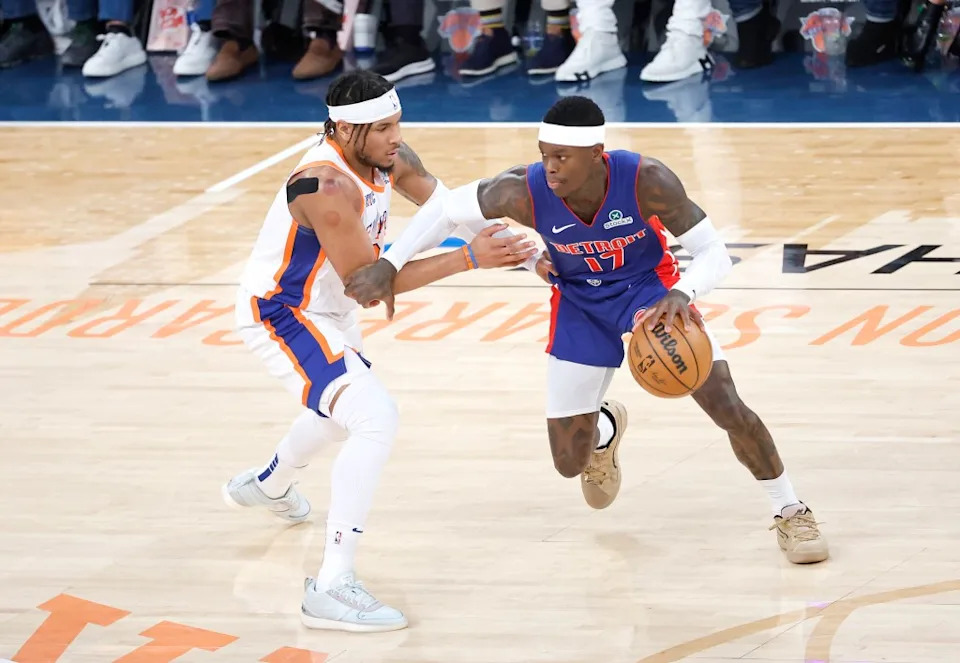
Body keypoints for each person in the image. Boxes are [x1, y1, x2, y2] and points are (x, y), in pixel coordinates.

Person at [342, 95, 830, 565]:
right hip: (579, 300)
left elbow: (714, 253)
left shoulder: (647, 179)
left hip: (648, 293)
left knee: (725, 402)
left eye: (562, 157)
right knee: (568, 462)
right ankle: (606, 429)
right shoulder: (521, 189)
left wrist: (682, 294)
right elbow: (446, 209)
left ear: (597, 154)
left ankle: (791, 510)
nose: (550, 167)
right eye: (545, 155)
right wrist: (392, 263)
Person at [226, 69, 539, 633]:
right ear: (346, 130)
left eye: (398, 123)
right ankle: (331, 586)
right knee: (373, 416)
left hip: (329, 311)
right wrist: (469, 259)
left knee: (339, 416)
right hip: (284, 312)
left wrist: (525, 248)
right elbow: (368, 286)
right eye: (384, 128)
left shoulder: (384, 153)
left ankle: (268, 485)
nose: (397, 137)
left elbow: (447, 204)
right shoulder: (323, 187)